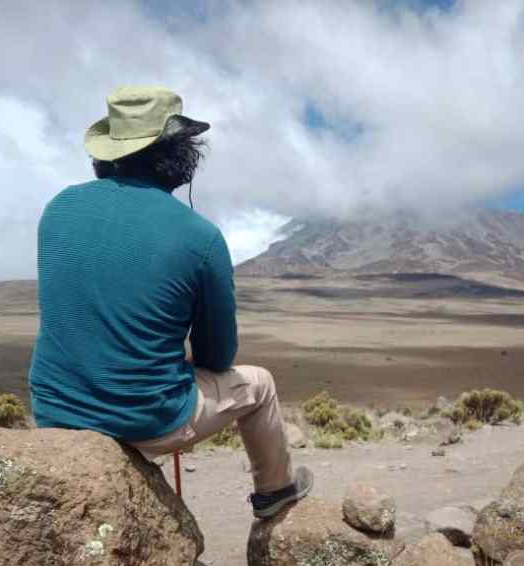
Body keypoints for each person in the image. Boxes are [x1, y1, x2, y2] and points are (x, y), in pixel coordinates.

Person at [29, 85, 313, 518]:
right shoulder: (200, 237)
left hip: (55, 410)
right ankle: (275, 493)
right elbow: (219, 355)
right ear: (180, 155)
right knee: (259, 384)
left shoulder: (58, 208)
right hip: (146, 419)